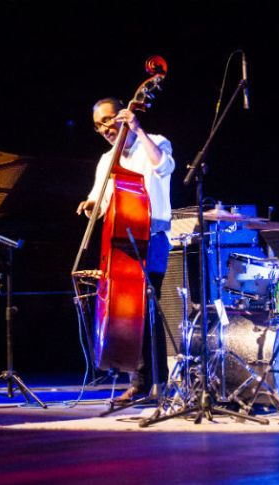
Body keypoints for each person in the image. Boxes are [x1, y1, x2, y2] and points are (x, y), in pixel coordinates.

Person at [77, 97, 175, 401]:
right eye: (98, 126)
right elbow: (101, 199)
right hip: (122, 244)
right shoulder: (106, 160)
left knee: (148, 310)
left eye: (108, 120)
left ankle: (156, 382)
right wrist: (91, 203)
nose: (105, 129)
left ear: (122, 114)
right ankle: (138, 381)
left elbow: (164, 166)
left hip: (153, 238)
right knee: (128, 314)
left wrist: (138, 129)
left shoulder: (156, 142)